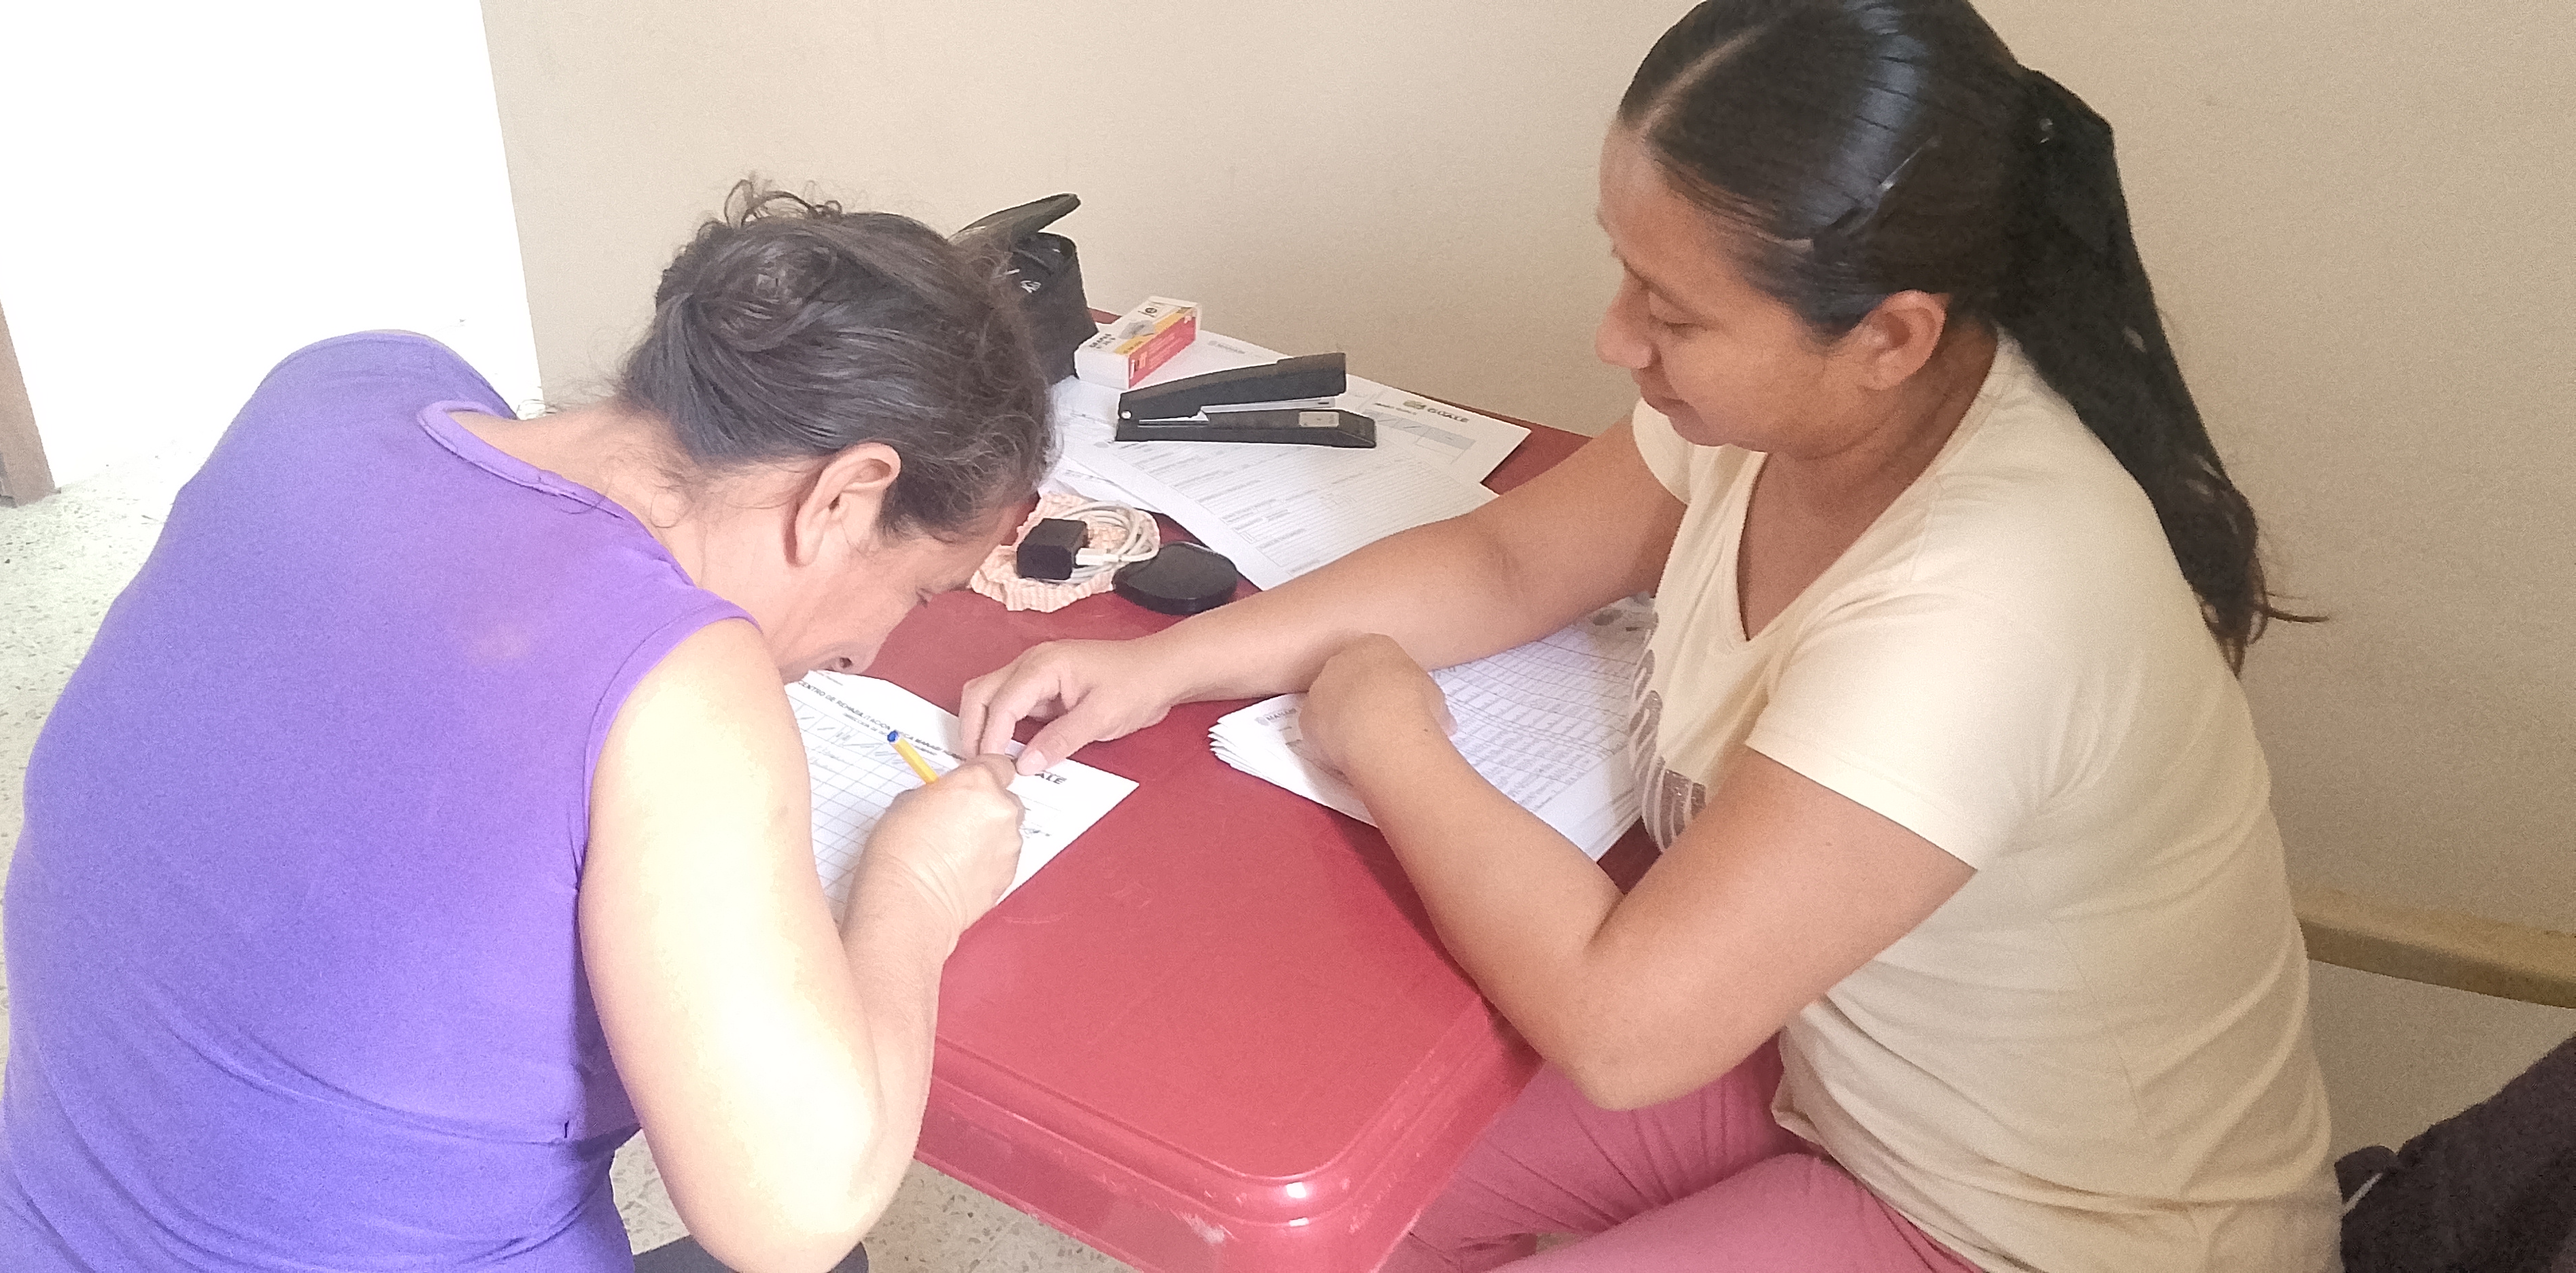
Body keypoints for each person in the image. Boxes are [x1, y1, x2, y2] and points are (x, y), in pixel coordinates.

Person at [960, 1, 2341, 1269]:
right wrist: (1164, 665)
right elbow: (1507, 562)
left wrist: (1387, 733)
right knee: (1343, 1191)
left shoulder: (1983, 606)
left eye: (1673, 314)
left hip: (2039, 1229)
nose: (1616, 340)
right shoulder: (1803, 416)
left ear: (1890, 336)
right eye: (1626, 274)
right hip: (1841, 1076)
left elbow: (1625, 1030)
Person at [0, 188, 1050, 1273]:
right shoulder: (682, 682)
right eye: (917, 592)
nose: (868, 654)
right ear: (848, 494)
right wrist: (916, 892)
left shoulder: (336, 388)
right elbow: (798, 1214)